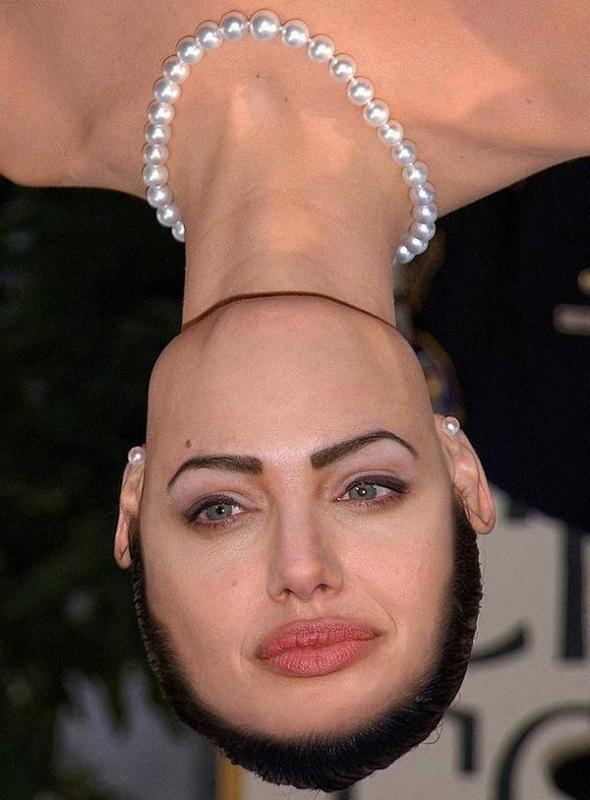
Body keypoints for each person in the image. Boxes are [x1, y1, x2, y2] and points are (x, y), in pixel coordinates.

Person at [1, 0, 588, 791]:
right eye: (369, 491)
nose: (302, 567)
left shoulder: (24, 104)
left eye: (218, 511)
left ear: (133, 507)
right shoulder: (564, 67)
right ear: (462, 473)